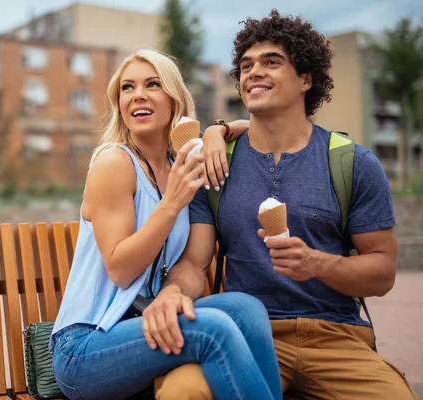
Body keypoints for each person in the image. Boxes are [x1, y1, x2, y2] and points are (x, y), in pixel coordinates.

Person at [149, 10, 418, 400]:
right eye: (246, 65)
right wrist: (173, 292)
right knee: (181, 394)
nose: (253, 71)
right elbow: (194, 264)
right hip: (247, 334)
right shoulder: (215, 164)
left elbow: (382, 272)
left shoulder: (352, 163)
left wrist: (317, 264)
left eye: (271, 62)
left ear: (306, 79)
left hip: (336, 337)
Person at [50, 48, 282, 400]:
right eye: (127, 88)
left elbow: (248, 128)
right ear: (119, 103)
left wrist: (220, 131)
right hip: (85, 346)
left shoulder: (179, 164)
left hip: (139, 325)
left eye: (152, 84)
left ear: (174, 100)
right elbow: (120, 268)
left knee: (246, 310)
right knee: (215, 330)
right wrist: (172, 203)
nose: (137, 95)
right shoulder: (114, 162)